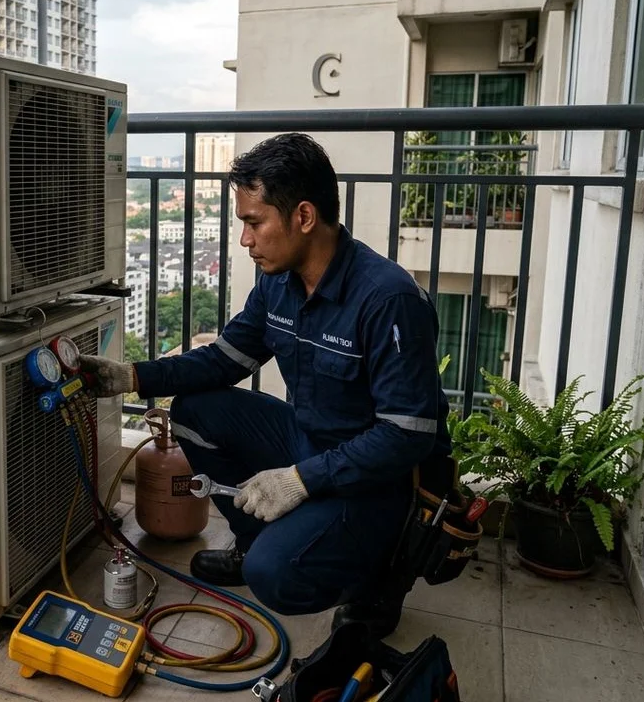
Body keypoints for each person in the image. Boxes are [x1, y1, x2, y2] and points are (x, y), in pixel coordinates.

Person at [81, 132, 451, 639]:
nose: (244, 240)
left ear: (303, 216)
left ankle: (378, 580)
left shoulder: (387, 298)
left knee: (275, 578)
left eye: (254, 223)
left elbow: (407, 435)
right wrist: (131, 377)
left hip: (375, 480)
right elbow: (225, 359)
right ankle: (256, 539)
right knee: (195, 409)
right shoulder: (278, 282)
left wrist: (299, 481)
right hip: (308, 439)